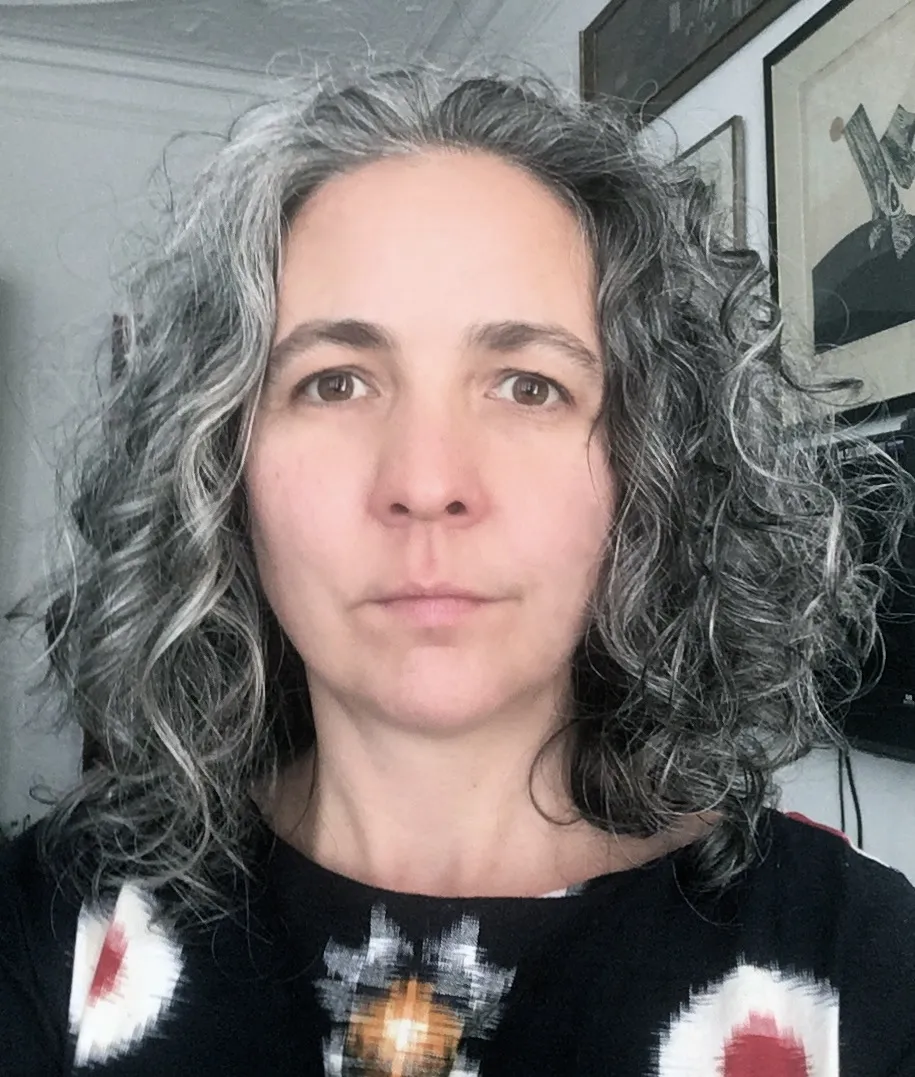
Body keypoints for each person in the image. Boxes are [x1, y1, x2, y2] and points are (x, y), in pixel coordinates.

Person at [1, 64, 914, 1077]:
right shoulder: (48, 925)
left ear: (652, 469)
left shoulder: (869, 965)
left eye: (529, 386)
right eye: (335, 382)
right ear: (220, 465)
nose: (427, 481)